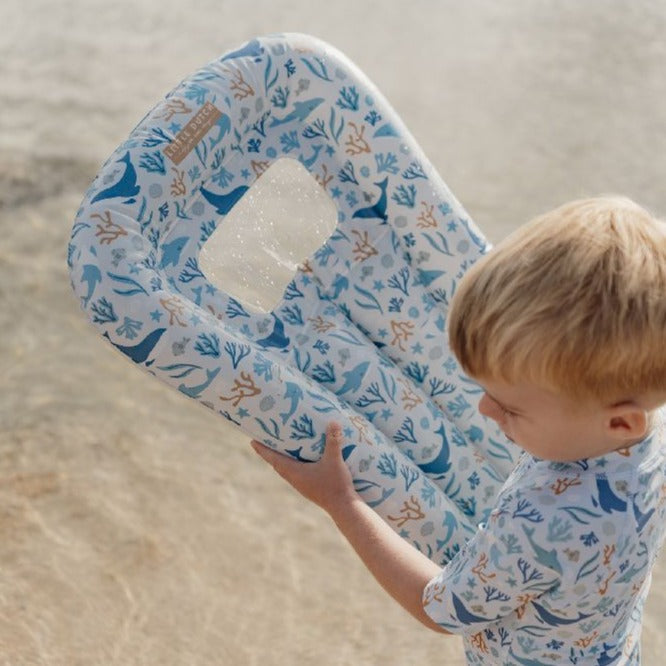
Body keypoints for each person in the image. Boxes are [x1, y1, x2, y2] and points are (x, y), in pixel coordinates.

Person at [251, 196, 666, 665]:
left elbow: (440, 609)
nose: (485, 409)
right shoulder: (650, 430)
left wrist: (342, 502)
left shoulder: (542, 522)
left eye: (511, 408)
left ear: (619, 421)